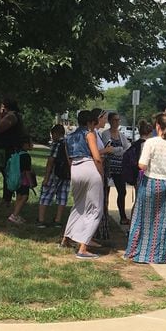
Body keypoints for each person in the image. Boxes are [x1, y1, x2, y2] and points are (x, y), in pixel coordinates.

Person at [124, 113, 166, 264]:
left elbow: (142, 165)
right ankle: (162, 255)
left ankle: (140, 252)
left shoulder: (151, 143)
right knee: (165, 222)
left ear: (157, 126)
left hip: (151, 182)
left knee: (144, 218)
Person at [61, 110, 105, 259]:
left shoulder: (69, 136)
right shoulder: (89, 134)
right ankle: (83, 247)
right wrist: (101, 173)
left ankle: (65, 239)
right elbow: (97, 157)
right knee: (95, 208)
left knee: (78, 205)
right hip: (89, 167)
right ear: (90, 122)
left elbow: (68, 158)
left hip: (75, 168)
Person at [0, 98, 25, 208]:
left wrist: (0, 117)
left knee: (8, 174)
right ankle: (7, 198)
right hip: (4, 148)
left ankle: (7, 199)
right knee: (6, 173)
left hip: (8, 149)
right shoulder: (11, 115)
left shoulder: (11, 116)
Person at [36, 125, 71, 228]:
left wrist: (46, 177)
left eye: (52, 135)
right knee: (62, 197)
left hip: (55, 174)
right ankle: (58, 220)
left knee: (46, 195)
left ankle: (41, 220)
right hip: (66, 174)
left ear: (55, 133)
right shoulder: (69, 144)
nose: (52, 137)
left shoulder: (57, 145)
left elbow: (51, 162)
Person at [100, 112, 130, 225]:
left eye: (118, 120)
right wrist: (119, 150)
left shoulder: (121, 135)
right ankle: (105, 214)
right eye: (114, 120)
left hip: (120, 168)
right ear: (110, 121)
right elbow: (108, 148)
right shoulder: (105, 134)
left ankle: (123, 216)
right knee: (106, 191)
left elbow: (126, 149)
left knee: (122, 191)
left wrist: (116, 150)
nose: (117, 122)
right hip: (108, 167)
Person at [91, 108, 115, 241]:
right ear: (98, 118)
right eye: (104, 118)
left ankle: (100, 232)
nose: (106, 121)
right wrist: (106, 150)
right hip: (97, 169)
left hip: (103, 169)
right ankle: (94, 234)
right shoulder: (92, 134)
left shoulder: (97, 133)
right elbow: (94, 153)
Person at [7, 136, 35, 224]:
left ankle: (16, 214)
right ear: (25, 145)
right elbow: (27, 171)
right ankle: (14, 215)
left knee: (19, 197)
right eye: (31, 143)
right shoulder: (26, 156)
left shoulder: (17, 154)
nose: (32, 145)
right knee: (24, 197)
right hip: (24, 181)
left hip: (17, 179)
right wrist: (31, 182)